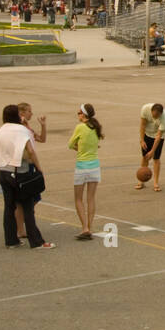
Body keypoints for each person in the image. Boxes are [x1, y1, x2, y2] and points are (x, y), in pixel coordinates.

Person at [0, 104, 54, 249]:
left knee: (9, 207)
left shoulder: (1, 130)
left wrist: (1, 170)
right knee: (27, 207)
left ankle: (11, 240)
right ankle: (36, 241)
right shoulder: (21, 130)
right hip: (20, 172)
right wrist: (39, 169)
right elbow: (30, 151)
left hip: (4, 171)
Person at [69, 103, 104, 240]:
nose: (77, 115)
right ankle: (90, 226)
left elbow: (70, 144)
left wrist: (79, 149)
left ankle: (85, 227)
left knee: (78, 198)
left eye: (79, 112)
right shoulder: (95, 128)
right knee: (91, 198)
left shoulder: (80, 127)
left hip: (82, 166)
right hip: (95, 166)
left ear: (83, 114)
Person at [139, 102, 165, 191]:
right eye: (154, 115)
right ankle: (141, 181)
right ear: (151, 111)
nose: (155, 117)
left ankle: (156, 183)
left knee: (156, 159)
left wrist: (152, 151)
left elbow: (158, 136)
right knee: (144, 157)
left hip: (159, 136)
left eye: (157, 116)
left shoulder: (164, 118)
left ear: (161, 114)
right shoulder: (145, 109)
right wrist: (142, 140)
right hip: (147, 134)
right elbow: (142, 125)